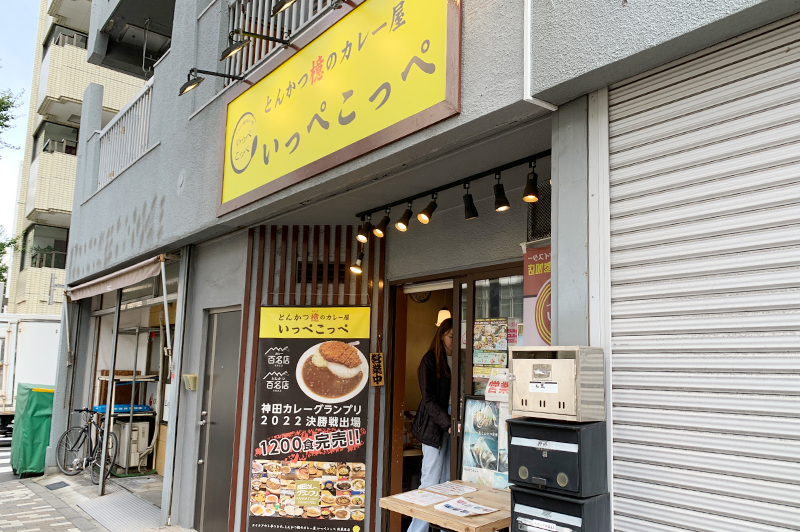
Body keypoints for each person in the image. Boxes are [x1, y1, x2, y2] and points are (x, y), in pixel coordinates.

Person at [409, 318, 453, 532]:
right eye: (451, 336)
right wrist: (448, 423)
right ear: (442, 336)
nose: (455, 341)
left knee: (449, 481)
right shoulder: (429, 360)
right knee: (430, 481)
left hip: (453, 423)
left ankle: (444, 527)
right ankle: (417, 530)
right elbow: (428, 399)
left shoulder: (462, 358)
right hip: (434, 426)